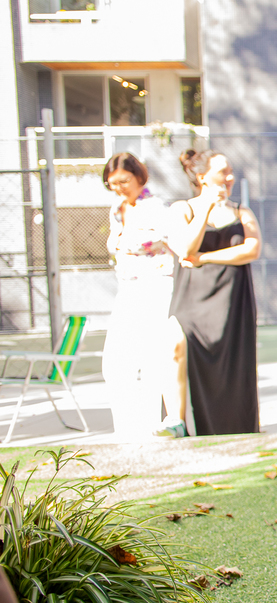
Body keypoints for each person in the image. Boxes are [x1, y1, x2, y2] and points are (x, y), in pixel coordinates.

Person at [161, 150, 262, 437]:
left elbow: (252, 249)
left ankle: (235, 427)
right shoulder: (183, 209)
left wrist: (204, 258)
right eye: (222, 172)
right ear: (202, 177)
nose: (229, 177)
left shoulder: (242, 212)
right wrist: (206, 208)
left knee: (233, 365)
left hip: (232, 301)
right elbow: (185, 248)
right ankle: (176, 421)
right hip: (192, 298)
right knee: (176, 344)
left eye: (230, 171)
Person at [99, 152, 175, 437]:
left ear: (139, 177)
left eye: (124, 181)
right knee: (116, 360)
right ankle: (126, 427)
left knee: (154, 356)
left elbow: (168, 239)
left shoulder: (156, 206)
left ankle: (154, 425)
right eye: (113, 183)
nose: (119, 187)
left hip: (156, 285)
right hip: (128, 287)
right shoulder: (117, 209)